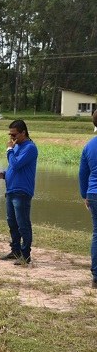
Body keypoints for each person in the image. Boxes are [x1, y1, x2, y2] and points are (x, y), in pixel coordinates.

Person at [0, 120, 38, 265]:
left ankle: (25, 255)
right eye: (10, 135)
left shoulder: (30, 148)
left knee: (23, 224)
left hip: (22, 192)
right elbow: (13, 168)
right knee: (12, 223)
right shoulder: (17, 147)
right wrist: (5, 174)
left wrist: (9, 150)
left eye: (14, 135)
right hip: (11, 190)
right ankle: (15, 250)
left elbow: (17, 164)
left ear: (23, 133)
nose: (11, 138)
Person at [79, 110, 97, 288]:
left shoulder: (89, 146)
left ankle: (96, 277)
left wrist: (84, 194)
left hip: (93, 194)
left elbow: (82, 174)